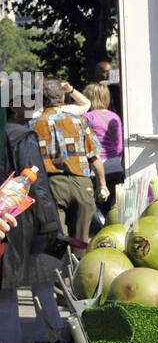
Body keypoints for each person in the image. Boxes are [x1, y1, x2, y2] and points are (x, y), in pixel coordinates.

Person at [0, 105, 65, 343]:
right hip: (26, 218)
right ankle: (49, 335)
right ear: (15, 107)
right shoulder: (23, 137)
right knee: (42, 280)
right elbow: (34, 181)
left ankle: (9, 340)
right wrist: (49, 222)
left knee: (5, 282)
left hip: (6, 213)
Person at [31, 77, 109, 245]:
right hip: (81, 185)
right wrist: (102, 184)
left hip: (50, 185)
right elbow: (94, 155)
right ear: (63, 99)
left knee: (57, 239)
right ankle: (79, 266)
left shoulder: (33, 124)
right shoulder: (78, 120)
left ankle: (61, 268)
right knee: (80, 241)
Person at [83, 82, 124, 213]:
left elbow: (86, 145)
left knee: (95, 207)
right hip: (115, 166)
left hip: (96, 168)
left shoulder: (87, 117)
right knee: (112, 207)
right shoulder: (115, 117)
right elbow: (119, 146)